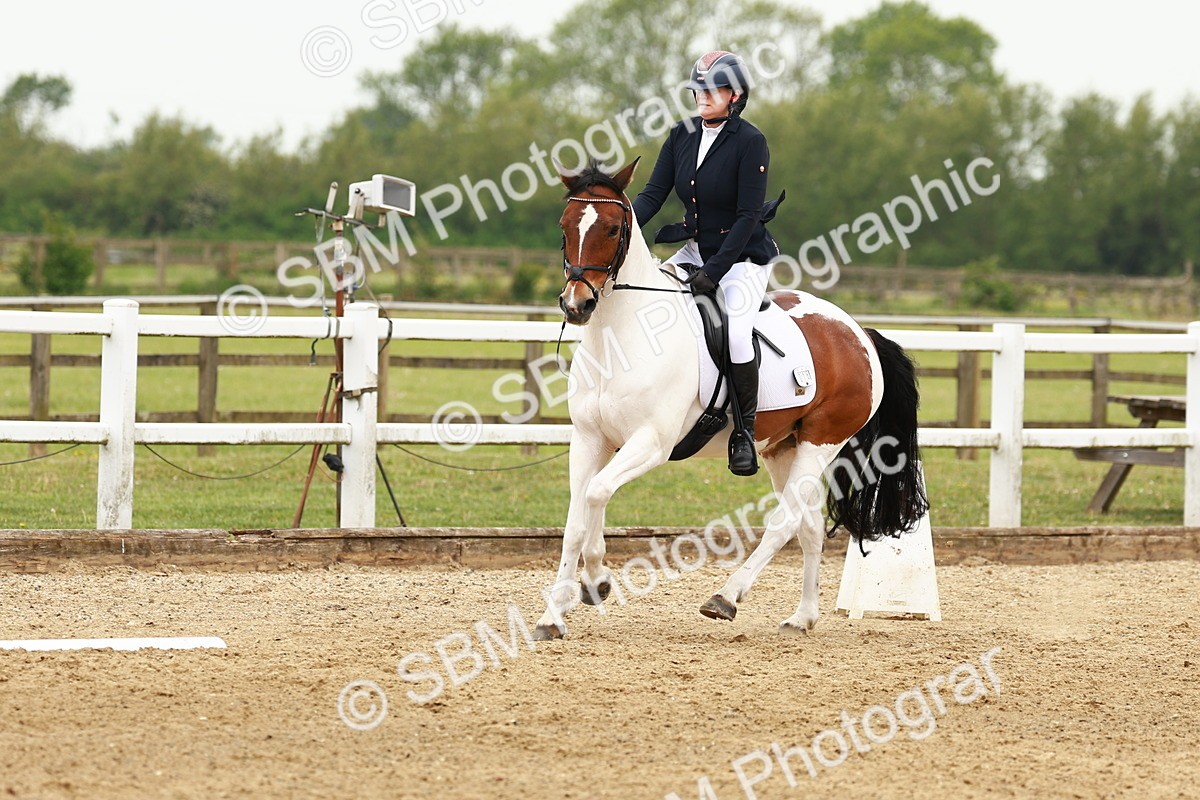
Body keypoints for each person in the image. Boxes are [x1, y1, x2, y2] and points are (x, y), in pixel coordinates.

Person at [631, 50, 783, 477]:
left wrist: (713, 274)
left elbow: (747, 217)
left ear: (735, 95)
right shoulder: (680, 135)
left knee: (735, 334)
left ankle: (744, 433)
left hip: (742, 257)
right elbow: (652, 195)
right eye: (698, 89)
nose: (702, 96)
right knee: (647, 305)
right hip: (695, 249)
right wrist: (619, 226)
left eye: (712, 89)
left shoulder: (750, 141)